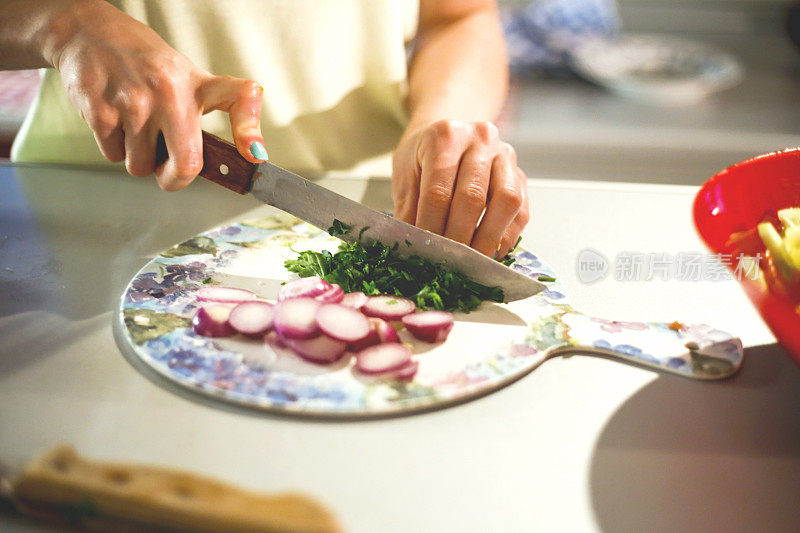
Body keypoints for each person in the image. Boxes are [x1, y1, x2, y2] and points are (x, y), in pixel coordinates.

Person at [0, 0, 529, 259]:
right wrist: (64, 23)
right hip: (77, 222)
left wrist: (439, 122)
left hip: (370, 213)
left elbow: (458, 16)